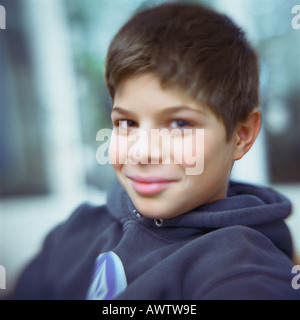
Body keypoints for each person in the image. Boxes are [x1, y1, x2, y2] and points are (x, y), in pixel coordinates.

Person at [10, 2, 300, 300]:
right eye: (127, 122)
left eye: (179, 123)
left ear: (242, 135)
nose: (142, 152)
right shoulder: (76, 230)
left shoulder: (244, 274)